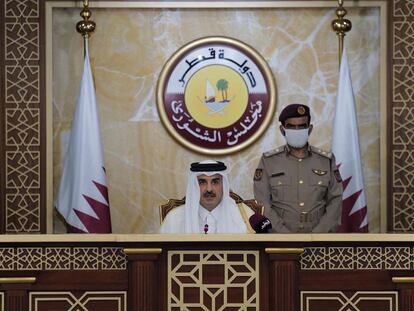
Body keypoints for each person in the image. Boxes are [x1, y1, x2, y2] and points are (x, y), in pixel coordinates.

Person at [253, 103, 343, 233]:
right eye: (291, 127)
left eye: (301, 126)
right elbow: (262, 203)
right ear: (282, 130)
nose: (297, 130)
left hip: (319, 242)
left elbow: (335, 201)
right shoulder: (269, 161)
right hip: (279, 242)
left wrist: (316, 237)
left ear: (310, 129)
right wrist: (285, 237)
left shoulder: (326, 161)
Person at [160, 160, 255, 234]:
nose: (209, 189)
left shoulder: (245, 216)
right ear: (194, 186)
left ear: (224, 185)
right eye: (202, 182)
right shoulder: (174, 219)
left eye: (215, 182)